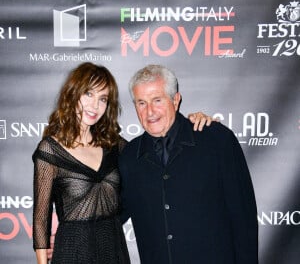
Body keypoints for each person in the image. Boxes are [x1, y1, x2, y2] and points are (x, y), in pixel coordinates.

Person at [32, 62, 214, 264]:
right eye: (89, 94)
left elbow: (155, 149)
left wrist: (192, 122)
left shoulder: (115, 146)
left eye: (103, 99)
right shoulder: (50, 149)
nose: (95, 106)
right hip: (73, 251)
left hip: (113, 249)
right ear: (73, 94)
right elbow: (41, 219)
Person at [119, 64, 258, 264]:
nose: (150, 111)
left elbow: (243, 221)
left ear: (175, 100)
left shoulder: (217, 141)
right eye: (141, 103)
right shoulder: (129, 156)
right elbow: (110, 216)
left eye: (157, 100)